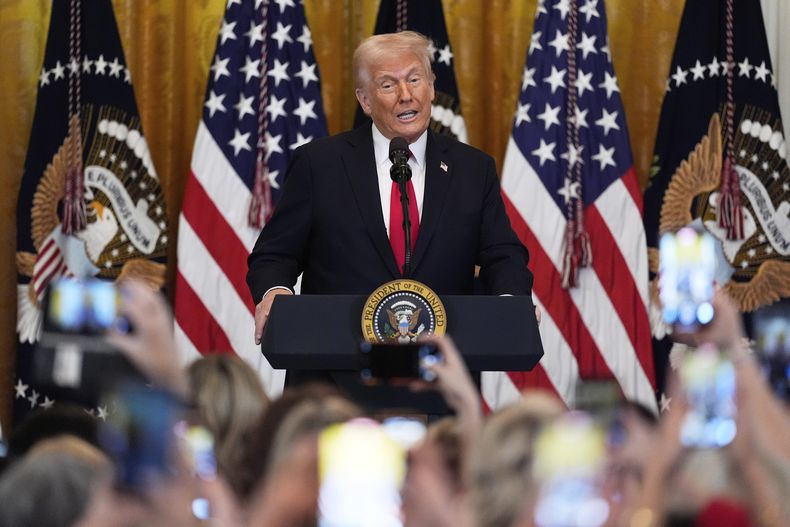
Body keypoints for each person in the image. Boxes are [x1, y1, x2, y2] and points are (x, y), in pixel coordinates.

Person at [247, 30, 535, 345]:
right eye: (388, 85)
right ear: (365, 100)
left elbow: (502, 253)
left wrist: (511, 300)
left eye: (414, 80)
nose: (405, 95)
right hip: (336, 369)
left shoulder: (473, 169)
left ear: (432, 86)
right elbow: (274, 255)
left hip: (440, 370)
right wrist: (275, 292)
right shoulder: (319, 164)